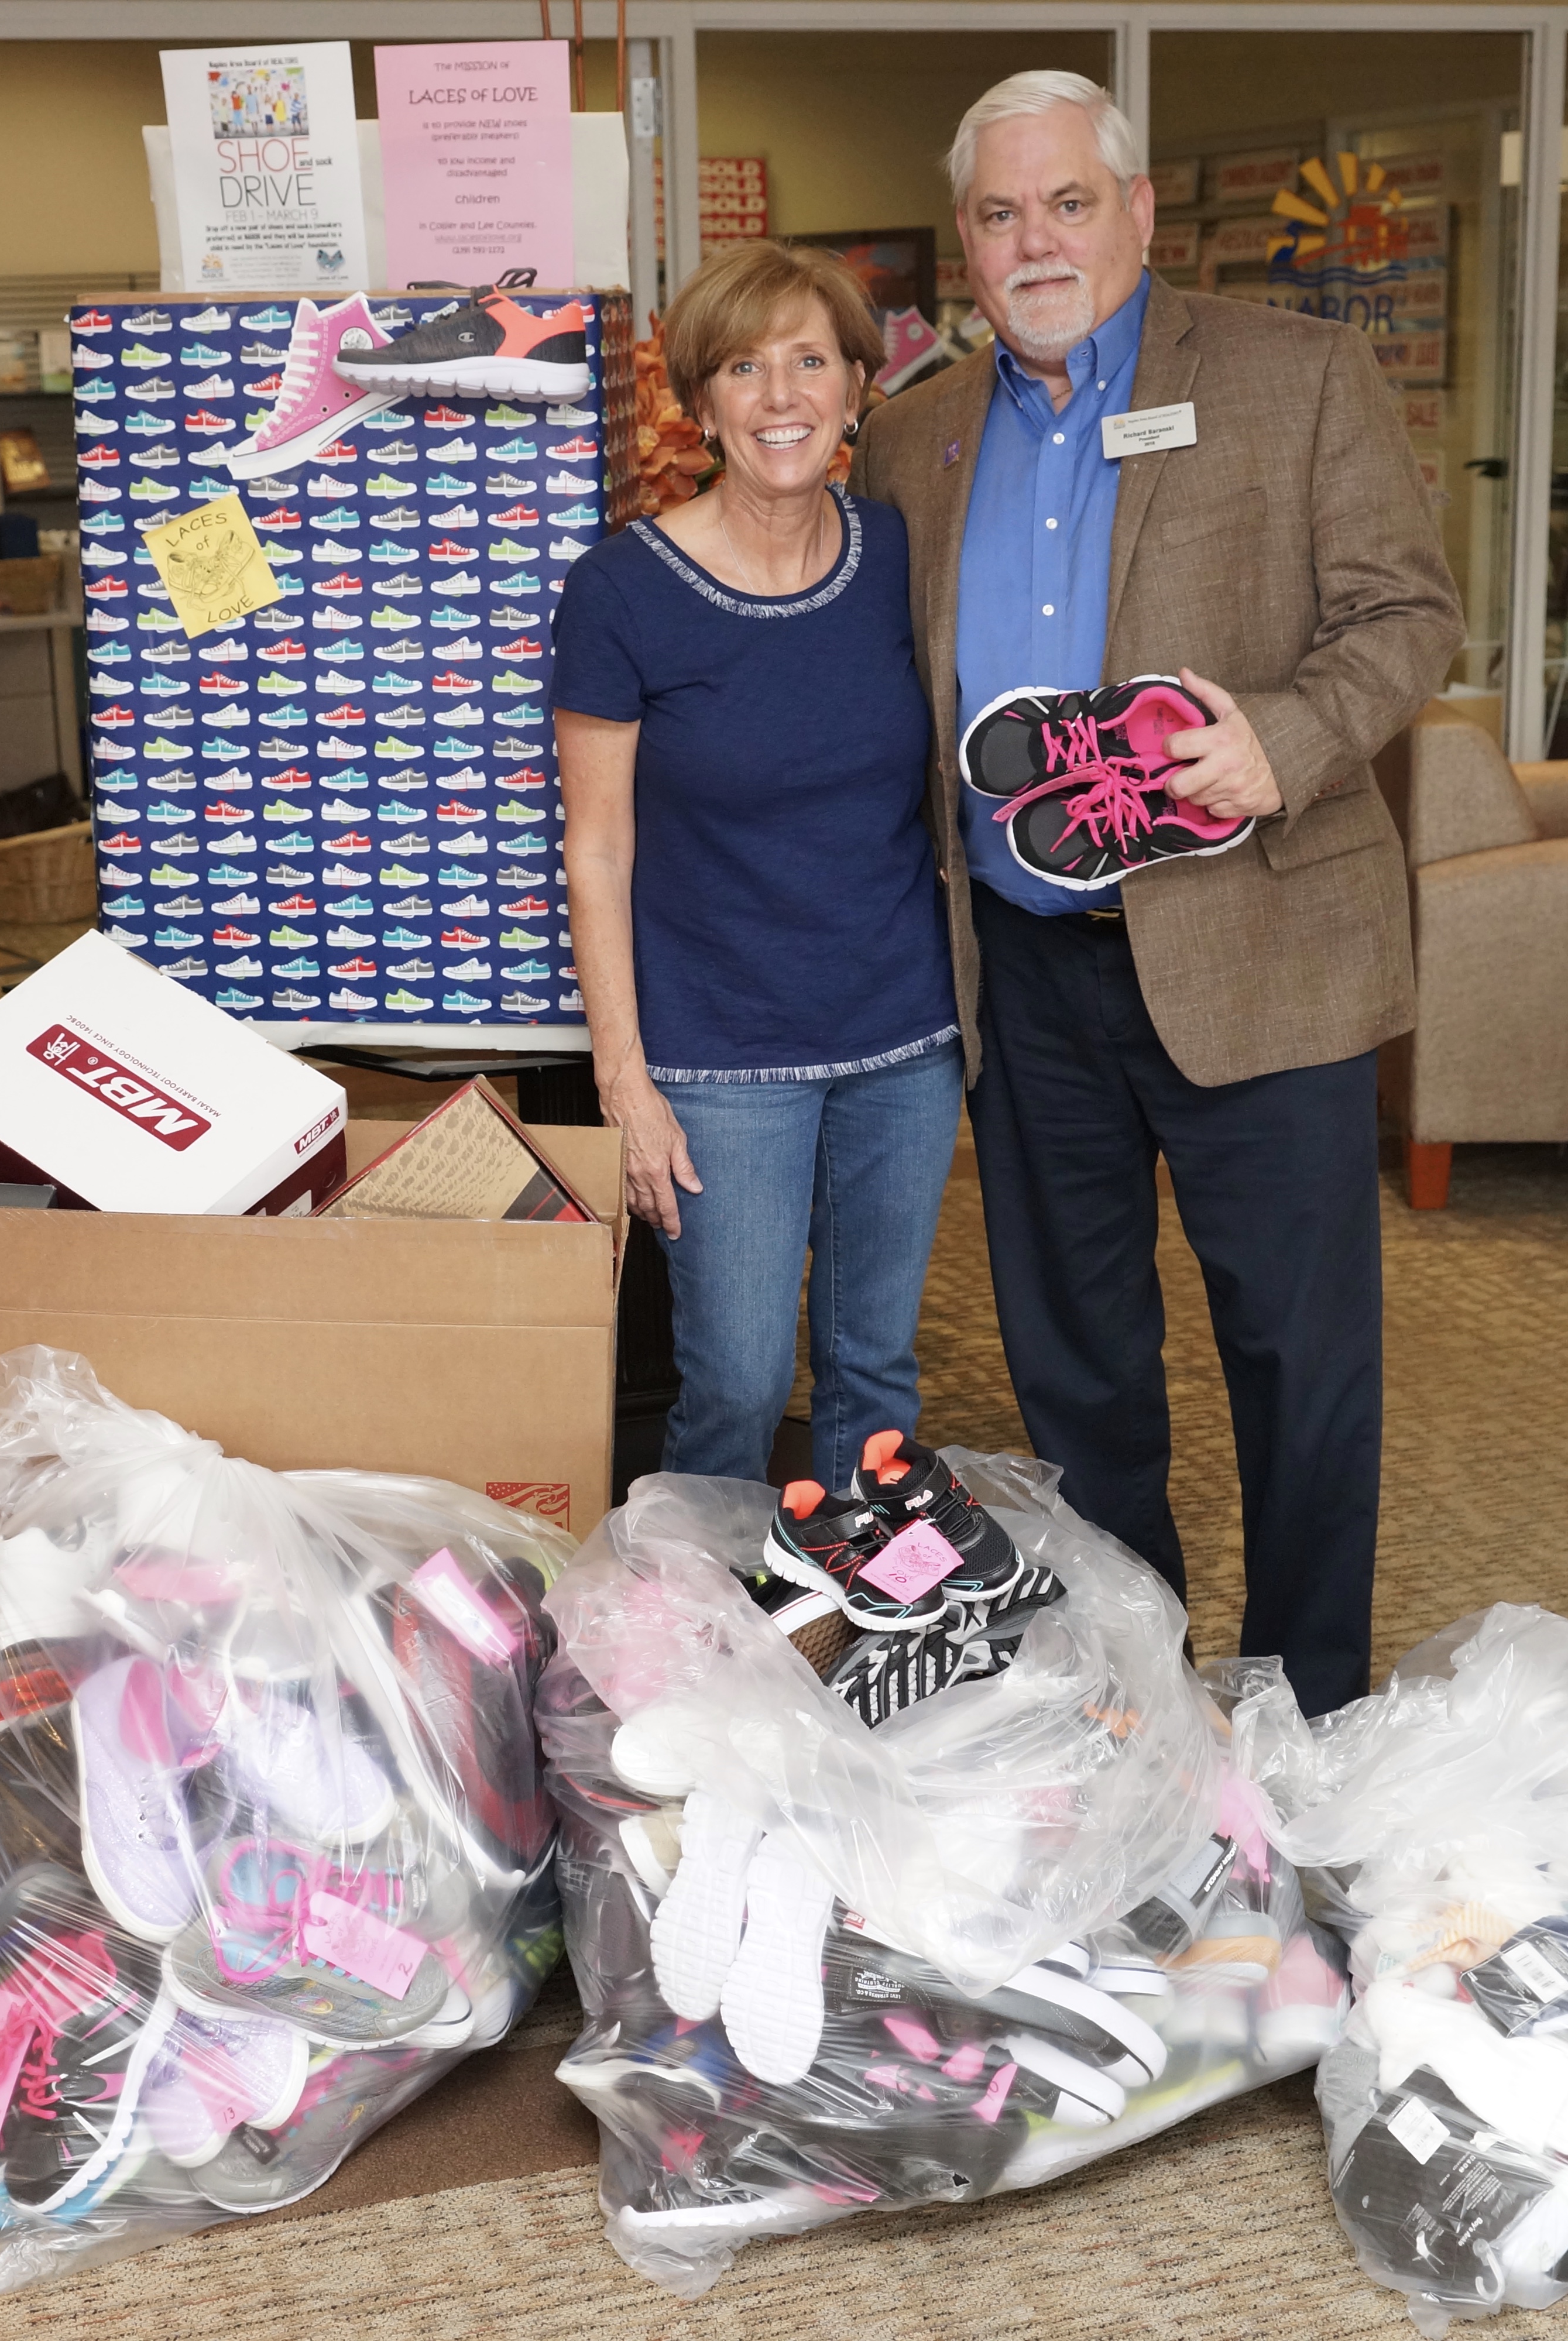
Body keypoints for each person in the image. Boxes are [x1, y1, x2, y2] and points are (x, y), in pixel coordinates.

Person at [850, 70, 1463, 1715]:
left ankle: (1308, 1703)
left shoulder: (1294, 375)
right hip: (1030, 977)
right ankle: (1130, 1694)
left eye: (1065, 202)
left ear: (1134, 210)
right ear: (965, 244)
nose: (1033, 239)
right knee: (1081, 1371)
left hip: (1263, 947)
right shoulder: (913, 440)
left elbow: (1411, 616)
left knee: (1298, 1362)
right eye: (998, 213)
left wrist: (1293, 735)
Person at [554, 240, 963, 1494]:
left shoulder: (900, 560)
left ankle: (846, 1644)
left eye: (809, 362)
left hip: (902, 1038)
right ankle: (690, 1648)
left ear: (855, 388)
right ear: (701, 398)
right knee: (732, 1380)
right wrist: (624, 1081)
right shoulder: (623, 589)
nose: (780, 396)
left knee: (873, 1371)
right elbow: (598, 840)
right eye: (744, 366)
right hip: (717, 1058)